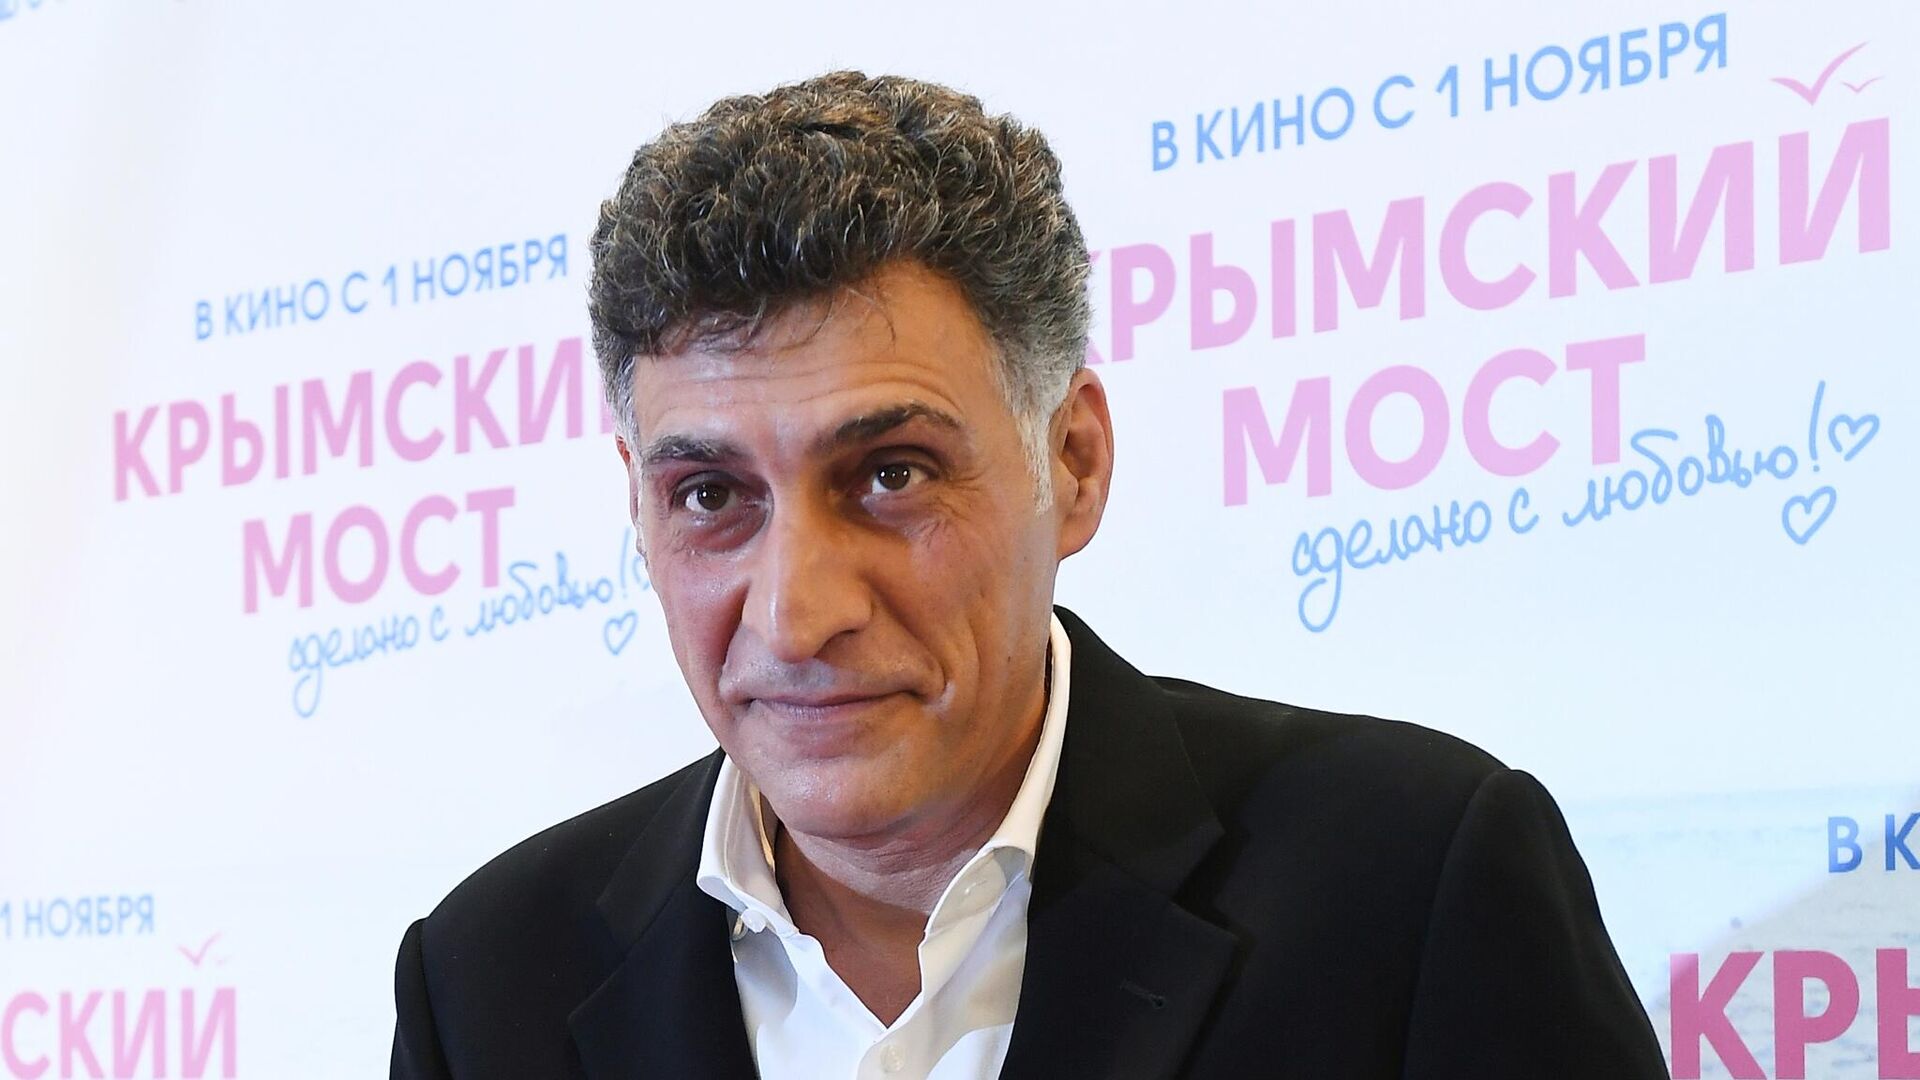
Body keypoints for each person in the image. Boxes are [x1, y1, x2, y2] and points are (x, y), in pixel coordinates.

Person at [389, 71, 1668, 1079]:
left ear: (1074, 462)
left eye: (890, 474)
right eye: (712, 497)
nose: (796, 613)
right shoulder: (487, 977)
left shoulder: (1413, 883)